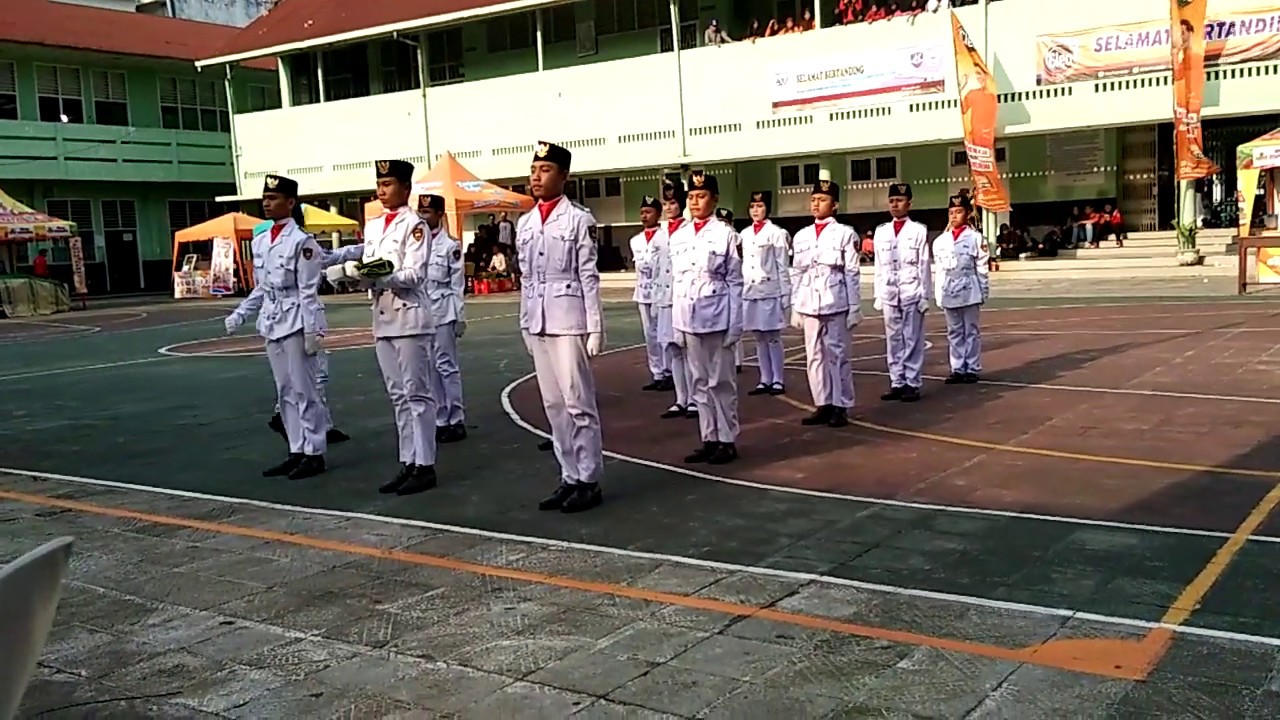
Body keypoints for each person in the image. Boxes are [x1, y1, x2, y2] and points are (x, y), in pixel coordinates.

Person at [330, 159, 439, 496]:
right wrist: (355, 277)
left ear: (405, 189)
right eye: (379, 184)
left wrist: (375, 275)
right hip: (383, 318)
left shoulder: (415, 226)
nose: (381, 189)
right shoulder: (375, 226)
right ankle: (408, 460)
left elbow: (414, 275)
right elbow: (371, 266)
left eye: (389, 184)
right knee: (398, 396)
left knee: (417, 394)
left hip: (409, 317)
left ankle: (425, 464)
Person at [518, 141, 605, 514]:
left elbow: (589, 276)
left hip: (569, 319)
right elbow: (526, 278)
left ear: (564, 176)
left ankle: (589, 478)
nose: (537, 177)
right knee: (553, 405)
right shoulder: (525, 222)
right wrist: (524, 321)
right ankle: (568, 474)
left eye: (546, 170)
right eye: (534, 170)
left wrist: (595, 326)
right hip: (538, 318)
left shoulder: (578, 219)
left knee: (577, 402)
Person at [224, 174, 327, 480]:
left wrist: (312, 330)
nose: (267, 203)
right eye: (265, 198)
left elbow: (308, 290)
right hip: (271, 319)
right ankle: (296, 448)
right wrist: (241, 312)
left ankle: (315, 451)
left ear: (290, 202)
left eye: (274, 198)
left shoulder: (302, 242)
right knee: (284, 390)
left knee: (305, 389)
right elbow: (262, 287)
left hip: (296, 319)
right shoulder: (261, 240)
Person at [669, 170, 744, 465]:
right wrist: (675, 322)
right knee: (698, 381)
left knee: (721, 382)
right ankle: (708, 437)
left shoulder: (726, 234)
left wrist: (736, 324)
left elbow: (736, 281)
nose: (695, 201)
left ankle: (727, 439)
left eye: (701, 196)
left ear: (714, 199)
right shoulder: (680, 235)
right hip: (689, 317)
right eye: (691, 197)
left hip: (717, 316)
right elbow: (677, 281)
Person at [268, 241, 363, 445]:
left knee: (308, 376)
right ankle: (287, 418)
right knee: (313, 376)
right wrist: (367, 247)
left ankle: (323, 425)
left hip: (291, 318)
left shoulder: (277, 250)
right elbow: (332, 256)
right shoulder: (300, 246)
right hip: (303, 319)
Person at [790, 179, 862, 427]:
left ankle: (841, 405)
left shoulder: (845, 233)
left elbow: (852, 273)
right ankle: (823, 402)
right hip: (809, 302)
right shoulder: (802, 236)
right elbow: (797, 272)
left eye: (822, 200)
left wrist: (854, 307)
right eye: (813, 200)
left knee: (838, 355)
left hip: (835, 301)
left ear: (835, 205)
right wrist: (795, 305)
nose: (816, 204)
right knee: (814, 356)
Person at [872, 183, 932, 402]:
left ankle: (912, 383)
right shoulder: (881, 231)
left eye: (899, 200)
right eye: (891, 201)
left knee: (912, 338)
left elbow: (923, 264)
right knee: (893, 339)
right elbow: (879, 264)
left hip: (911, 290)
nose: (895, 205)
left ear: (909, 203)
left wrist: (925, 295)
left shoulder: (918, 230)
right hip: (889, 292)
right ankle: (897, 381)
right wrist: (878, 293)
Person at [418, 193, 468, 443]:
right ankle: (440, 418)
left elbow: (457, 285)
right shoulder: (414, 244)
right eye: (421, 212)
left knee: (447, 367)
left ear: (439, 215)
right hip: (420, 313)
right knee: (429, 369)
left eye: (428, 212)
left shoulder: (450, 246)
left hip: (444, 310)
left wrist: (459, 316)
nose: (423, 217)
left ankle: (456, 418)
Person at [932, 194, 989, 384]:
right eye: (951, 213)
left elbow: (982, 267)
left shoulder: (975, 238)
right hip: (949, 289)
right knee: (954, 331)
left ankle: (972, 368)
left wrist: (983, 291)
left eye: (958, 212)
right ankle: (957, 368)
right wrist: (938, 294)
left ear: (968, 213)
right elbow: (939, 270)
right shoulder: (940, 241)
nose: (954, 216)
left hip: (970, 288)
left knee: (971, 331)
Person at [739, 190, 791, 396]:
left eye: (759, 206)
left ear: (767, 208)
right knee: (758, 336)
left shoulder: (776, 233)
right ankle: (764, 378)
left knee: (773, 337)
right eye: (752, 206)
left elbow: (782, 265)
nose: (755, 210)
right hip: (751, 291)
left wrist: (785, 294)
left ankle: (778, 379)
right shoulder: (744, 234)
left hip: (770, 290)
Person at [654, 180, 694, 420]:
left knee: (689, 351)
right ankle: (681, 399)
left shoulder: (688, 230)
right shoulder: (659, 234)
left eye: (673, 203)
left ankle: (696, 400)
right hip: (665, 299)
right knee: (673, 351)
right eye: (666, 203)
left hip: (684, 298)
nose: (669, 208)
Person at [630, 194, 669, 391]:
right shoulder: (635, 240)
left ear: (658, 214)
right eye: (642, 212)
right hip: (643, 292)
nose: (644, 216)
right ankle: (657, 372)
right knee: (649, 335)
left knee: (663, 333)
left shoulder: (666, 237)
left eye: (649, 212)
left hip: (661, 292)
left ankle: (668, 371)